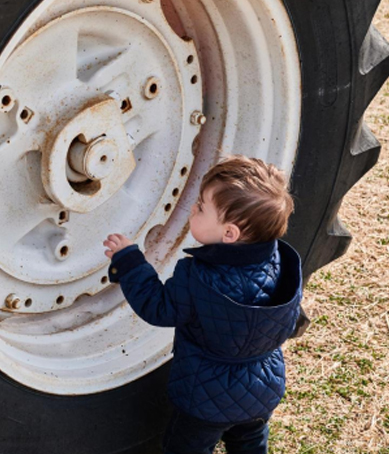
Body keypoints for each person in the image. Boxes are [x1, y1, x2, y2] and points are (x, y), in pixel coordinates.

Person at [103, 155, 302, 454]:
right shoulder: (280, 264)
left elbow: (157, 307)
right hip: (262, 390)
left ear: (229, 233)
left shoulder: (197, 278)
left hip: (206, 399)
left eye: (201, 207)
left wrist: (130, 261)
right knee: (248, 442)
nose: (193, 208)